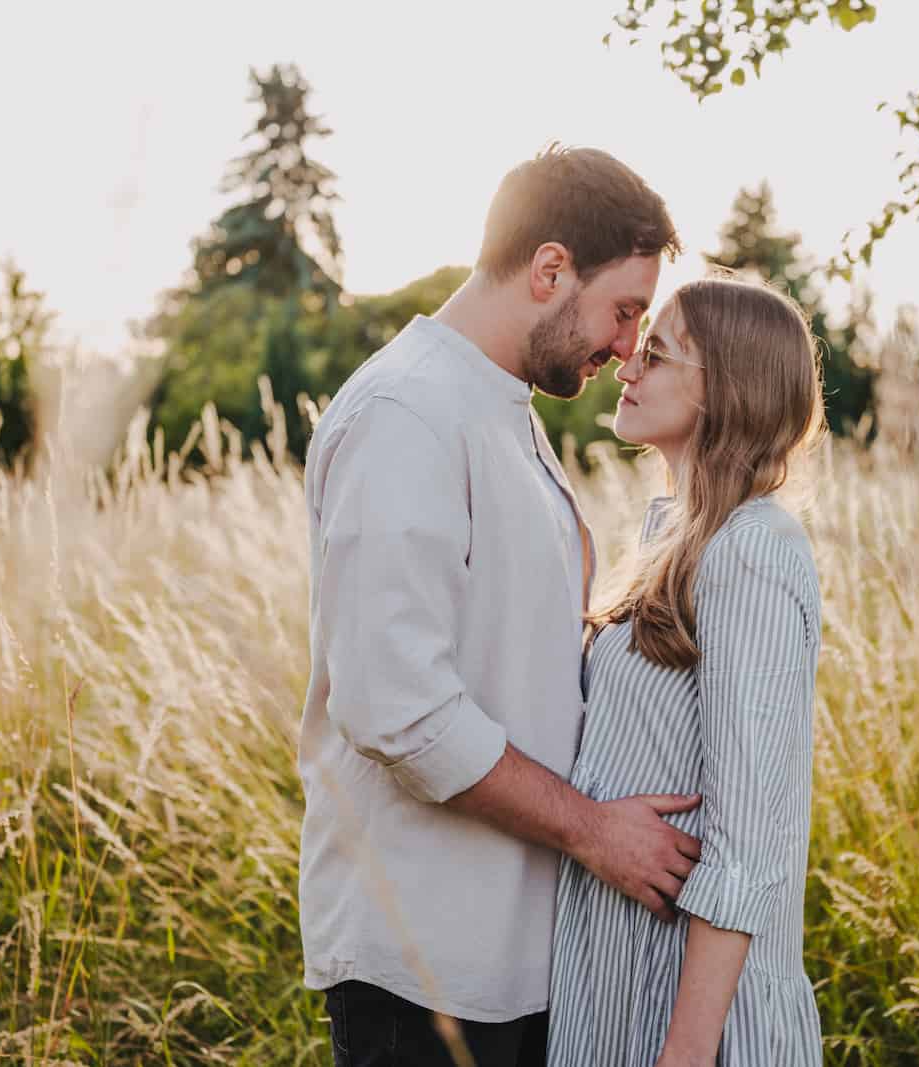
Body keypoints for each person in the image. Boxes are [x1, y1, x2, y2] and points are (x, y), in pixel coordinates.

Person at [297, 145, 695, 1067]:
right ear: (550, 269)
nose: (630, 345)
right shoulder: (408, 412)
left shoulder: (498, 409)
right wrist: (597, 831)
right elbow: (393, 706)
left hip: (510, 955)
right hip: (424, 968)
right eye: (625, 309)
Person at [547, 276, 827, 1067]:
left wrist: (688, 1048)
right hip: (618, 985)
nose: (628, 363)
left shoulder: (755, 548)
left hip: (695, 1016)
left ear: (727, 391)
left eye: (659, 353)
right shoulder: (671, 538)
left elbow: (746, 843)